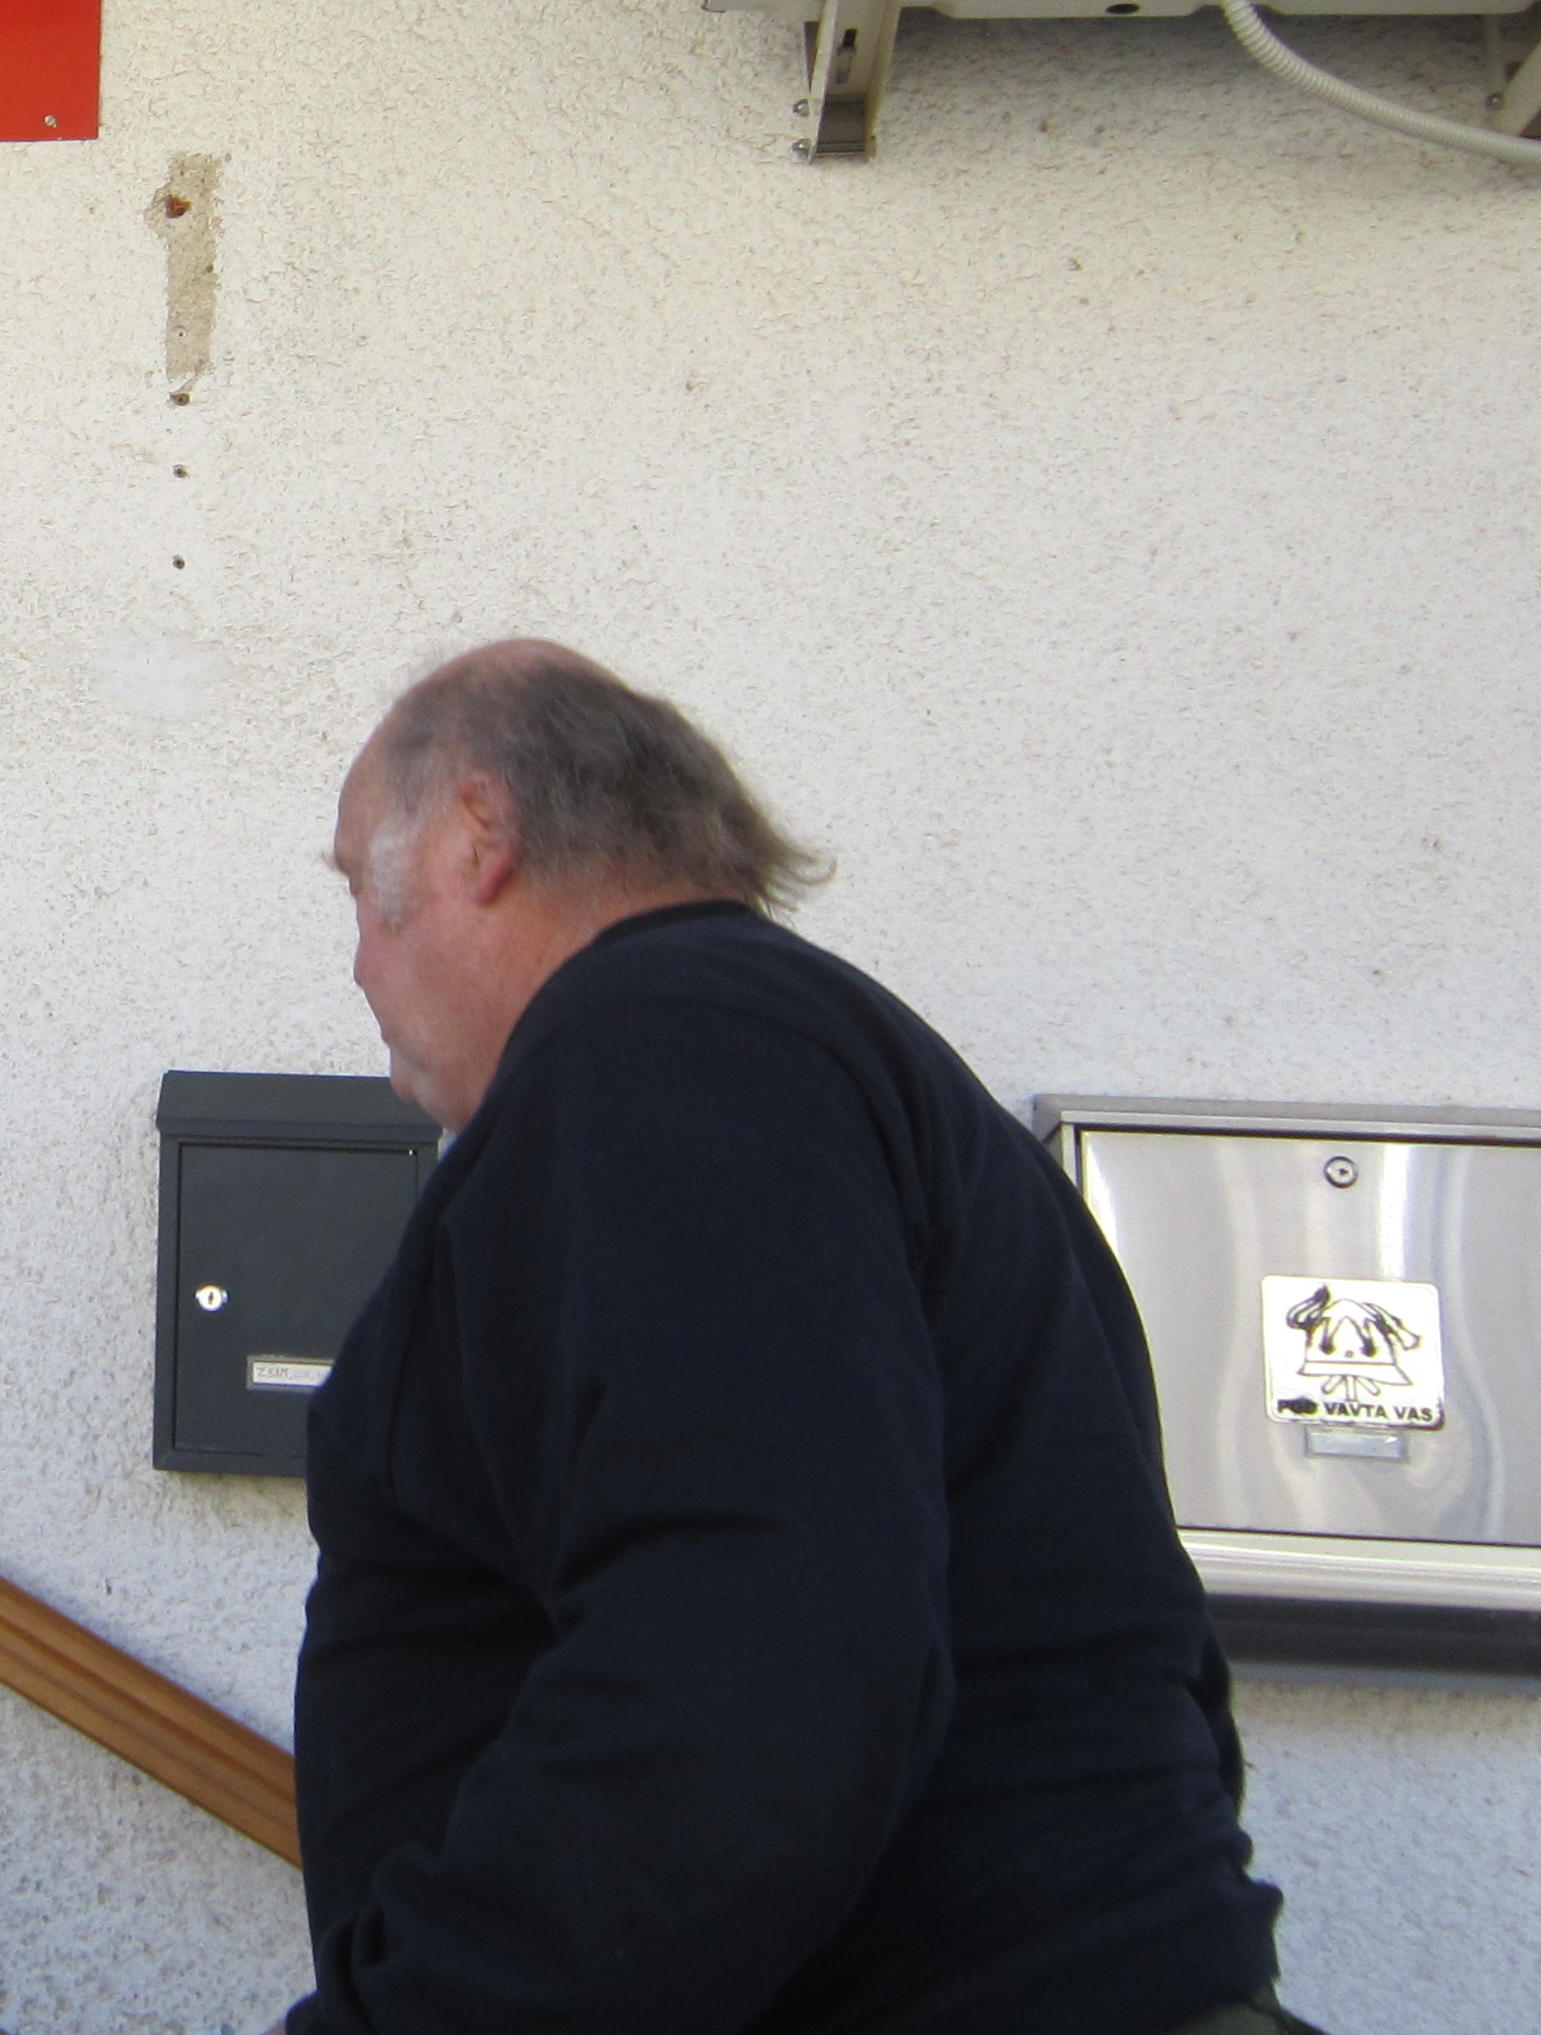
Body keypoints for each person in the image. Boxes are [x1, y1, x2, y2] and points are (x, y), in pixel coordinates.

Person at [282, 641, 1300, 2035]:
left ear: (478, 831)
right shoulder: (862, 1089)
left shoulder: (662, 1046)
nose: (357, 965)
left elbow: (766, 1660)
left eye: (356, 887)